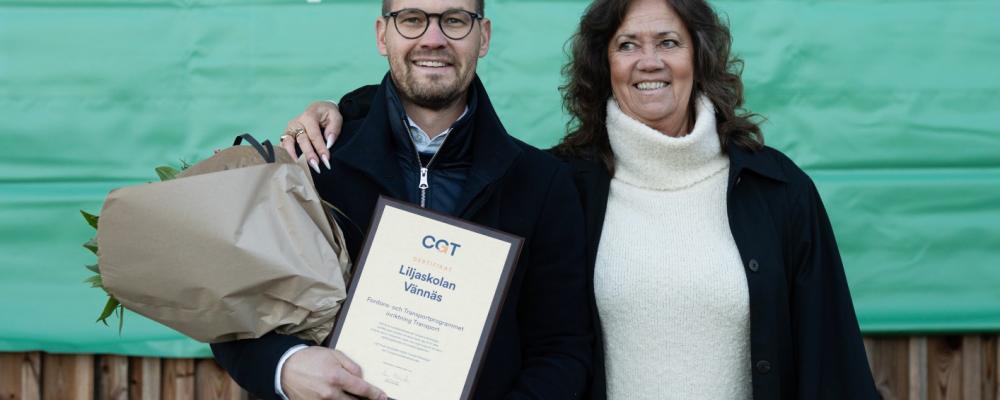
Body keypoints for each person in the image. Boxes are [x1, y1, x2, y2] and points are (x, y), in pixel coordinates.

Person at [292, 0, 879, 398]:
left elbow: (833, 358)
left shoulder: (777, 192)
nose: (649, 61)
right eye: (628, 44)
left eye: (668, 41)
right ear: (606, 62)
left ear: (697, 56)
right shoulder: (569, 182)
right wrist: (350, 110)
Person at [210, 0, 593, 399]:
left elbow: (562, 349)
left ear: (484, 37)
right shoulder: (315, 164)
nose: (433, 38)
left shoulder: (542, 183)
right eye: (411, 19)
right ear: (382, 34)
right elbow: (233, 310)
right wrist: (284, 367)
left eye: (455, 20)